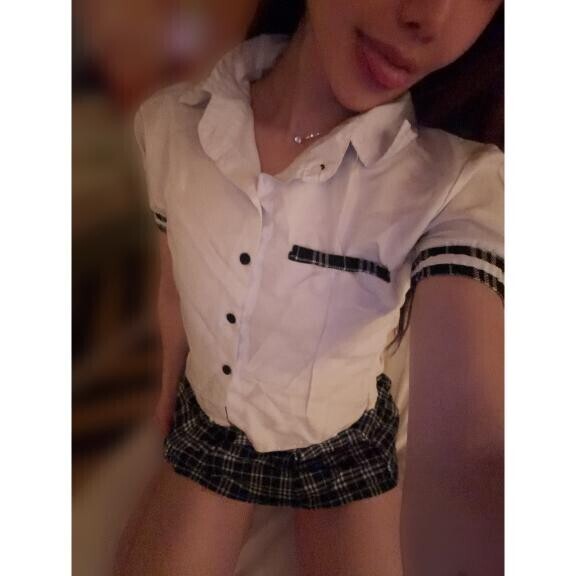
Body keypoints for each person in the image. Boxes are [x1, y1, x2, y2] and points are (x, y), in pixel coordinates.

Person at [114, 1, 504, 575]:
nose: (430, 16)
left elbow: (471, 449)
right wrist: (170, 376)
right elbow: (172, 271)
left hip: (340, 439)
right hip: (213, 422)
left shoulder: (457, 185)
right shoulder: (169, 126)